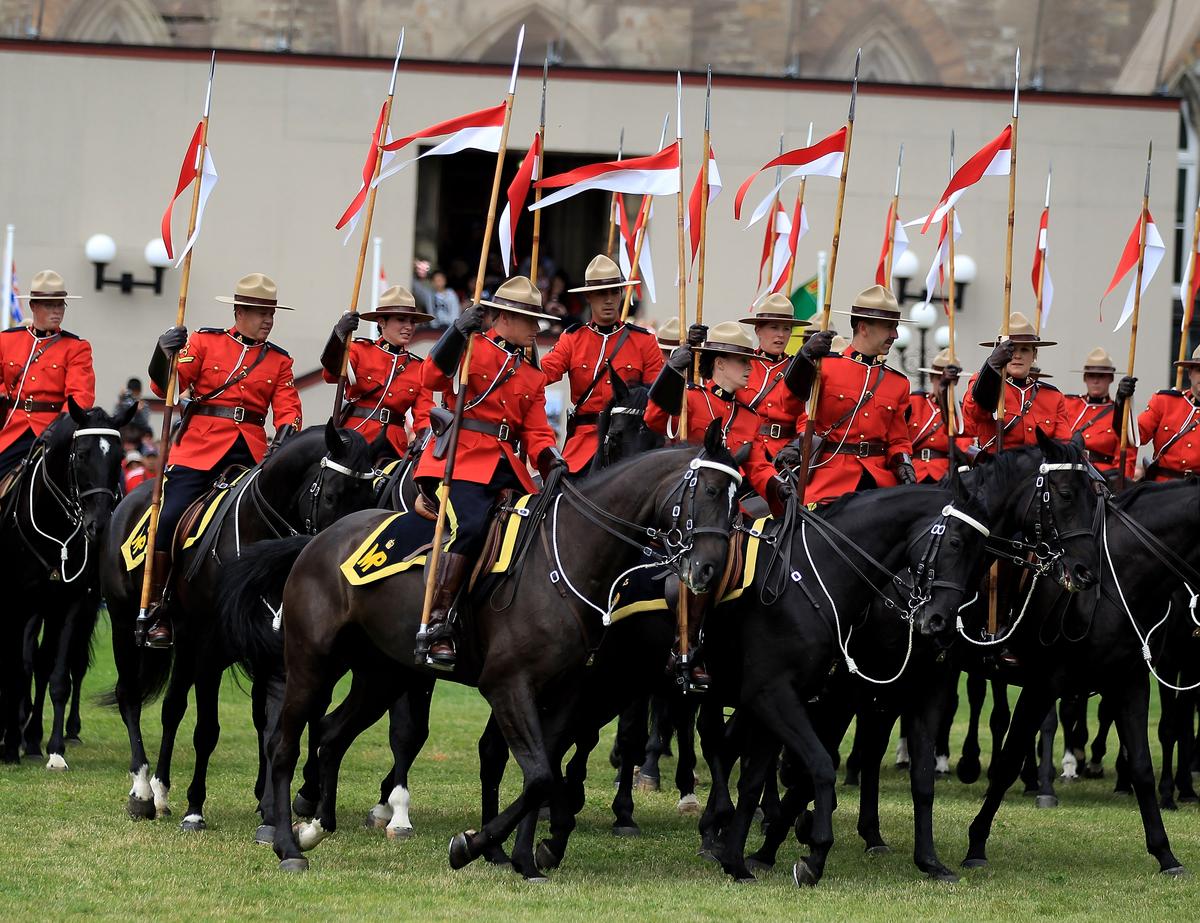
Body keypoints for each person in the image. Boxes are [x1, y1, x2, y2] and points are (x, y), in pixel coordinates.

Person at [141, 273, 303, 647]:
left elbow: (289, 410)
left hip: (251, 453)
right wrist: (161, 352)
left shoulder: (279, 360)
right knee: (169, 514)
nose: (268, 320)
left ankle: (278, 606)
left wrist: (287, 436)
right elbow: (168, 385)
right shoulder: (204, 341)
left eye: (272, 313)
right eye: (261, 312)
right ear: (239, 311)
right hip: (200, 448)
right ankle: (158, 605)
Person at [414, 276, 564, 667]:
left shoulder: (531, 375)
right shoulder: (470, 346)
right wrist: (455, 332)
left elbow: (536, 431)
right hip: (457, 462)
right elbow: (429, 379)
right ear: (505, 318)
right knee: (472, 527)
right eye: (529, 320)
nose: (536, 329)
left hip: (505, 469)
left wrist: (551, 459)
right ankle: (437, 621)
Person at [775, 285, 915, 504]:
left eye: (895, 327)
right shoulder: (825, 366)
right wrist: (804, 358)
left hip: (877, 483)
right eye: (889, 327)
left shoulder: (898, 383)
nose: (895, 335)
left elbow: (898, 439)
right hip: (830, 480)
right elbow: (789, 406)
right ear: (863, 327)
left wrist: (903, 462)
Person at [540, 255, 664, 474]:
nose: (608, 300)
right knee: (554, 499)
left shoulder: (644, 341)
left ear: (621, 294)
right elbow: (540, 376)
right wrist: (522, 349)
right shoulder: (573, 339)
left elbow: (659, 398)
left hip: (628, 444)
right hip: (583, 444)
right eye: (600, 293)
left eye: (614, 292)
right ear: (588, 296)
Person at [321, 285, 435, 460]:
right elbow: (331, 372)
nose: (408, 327)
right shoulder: (359, 350)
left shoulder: (419, 367)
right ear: (381, 322)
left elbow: (425, 414)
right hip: (354, 437)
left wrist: (424, 437)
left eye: (412, 322)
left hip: (393, 447)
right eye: (401, 319)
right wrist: (339, 334)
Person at [0, 270, 95, 477]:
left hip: (54, 431)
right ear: (33, 306)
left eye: (60, 304)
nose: (57, 311)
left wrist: (60, 427)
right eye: (49, 305)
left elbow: (80, 395)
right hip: (13, 429)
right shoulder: (6, 341)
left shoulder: (76, 347)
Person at [961, 311, 1070, 450]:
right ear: (999, 352)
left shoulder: (1053, 397)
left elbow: (1063, 445)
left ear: (1034, 354)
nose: (1017, 356)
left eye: (1024, 350)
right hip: (995, 466)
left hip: (1037, 469)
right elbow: (974, 415)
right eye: (1011, 350)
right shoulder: (984, 382)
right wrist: (992, 366)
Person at [736, 292, 811, 459]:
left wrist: (800, 443)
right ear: (758, 330)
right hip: (744, 448)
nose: (781, 335)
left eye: (786, 329)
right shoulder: (741, 364)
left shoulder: (797, 368)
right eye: (774, 327)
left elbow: (804, 415)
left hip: (784, 453)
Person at [1063, 347, 1136, 483]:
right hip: (1066, 474)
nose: (1096, 381)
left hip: (1100, 480)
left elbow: (1126, 459)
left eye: (1101, 376)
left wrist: (1120, 483)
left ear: (1111, 378)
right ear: (1085, 378)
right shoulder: (1068, 403)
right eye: (1091, 376)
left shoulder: (1120, 413)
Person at [1138, 344, 1200, 481]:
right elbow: (1136, 436)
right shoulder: (1165, 401)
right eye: (1199, 370)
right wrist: (1123, 403)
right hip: (1161, 490)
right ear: (1190, 373)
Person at [906, 349, 963, 483]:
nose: (943, 383)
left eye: (949, 380)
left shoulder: (960, 412)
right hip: (914, 473)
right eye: (939, 378)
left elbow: (963, 447)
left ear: (957, 380)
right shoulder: (914, 402)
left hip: (943, 475)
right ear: (931, 378)